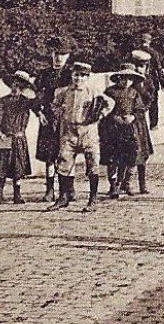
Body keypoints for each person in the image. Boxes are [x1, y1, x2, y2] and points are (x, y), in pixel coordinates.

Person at [48, 60, 113, 212]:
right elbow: (54, 106)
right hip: (69, 131)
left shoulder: (93, 90)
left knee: (92, 165)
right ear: (72, 75)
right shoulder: (64, 91)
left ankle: (93, 199)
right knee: (64, 163)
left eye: (83, 76)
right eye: (76, 75)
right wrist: (60, 113)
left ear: (88, 77)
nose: (79, 79)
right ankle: (63, 197)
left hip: (88, 132)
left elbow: (109, 103)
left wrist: (100, 115)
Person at [34, 42, 75, 202]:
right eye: (56, 54)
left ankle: (68, 188)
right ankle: (50, 189)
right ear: (52, 54)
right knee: (49, 155)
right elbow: (34, 95)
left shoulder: (71, 74)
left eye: (63, 55)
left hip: (66, 119)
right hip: (48, 119)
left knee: (67, 153)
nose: (59, 58)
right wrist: (38, 112)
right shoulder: (44, 74)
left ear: (68, 56)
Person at [0, 70, 38, 204]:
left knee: (18, 167)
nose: (16, 88)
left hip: (19, 138)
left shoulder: (26, 102)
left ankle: (18, 194)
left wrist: (29, 94)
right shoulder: (3, 101)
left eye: (20, 86)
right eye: (14, 85)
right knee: (1, 166)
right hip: (5, 137)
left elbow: (37, 105)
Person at [101, 65, 147, 199]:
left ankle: (127, 182)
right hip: (113, 129)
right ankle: (113, 185)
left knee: (132, 156)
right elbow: (103, 108)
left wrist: (132, 117)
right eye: (124, 78)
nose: (127, 82)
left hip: (130, 129)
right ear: (118, 78)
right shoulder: (110, 92)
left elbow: (140, 110)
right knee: (113, 158)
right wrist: (113, 117)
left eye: (130, 79)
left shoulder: (134, 92)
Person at [126, 49, 158, 193]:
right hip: (129, 121)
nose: (139, 69)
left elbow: (150, 101)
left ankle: (142, 184)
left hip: (140, 121)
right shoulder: (128, 81)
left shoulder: (148, 83)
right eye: (137, 65)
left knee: (143, 153)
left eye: (142, 66)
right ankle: (126, 182)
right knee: (130, 151)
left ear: (147, 67)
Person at [136, 32, 164, 129]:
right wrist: (162, 82)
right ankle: (153, 125)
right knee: (153, 103)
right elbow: (159, 69)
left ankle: (139, 123)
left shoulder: (136, 53)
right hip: (152, 81)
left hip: (138, 80)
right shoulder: (154, 53)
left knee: (138, 101)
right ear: (149, 41)